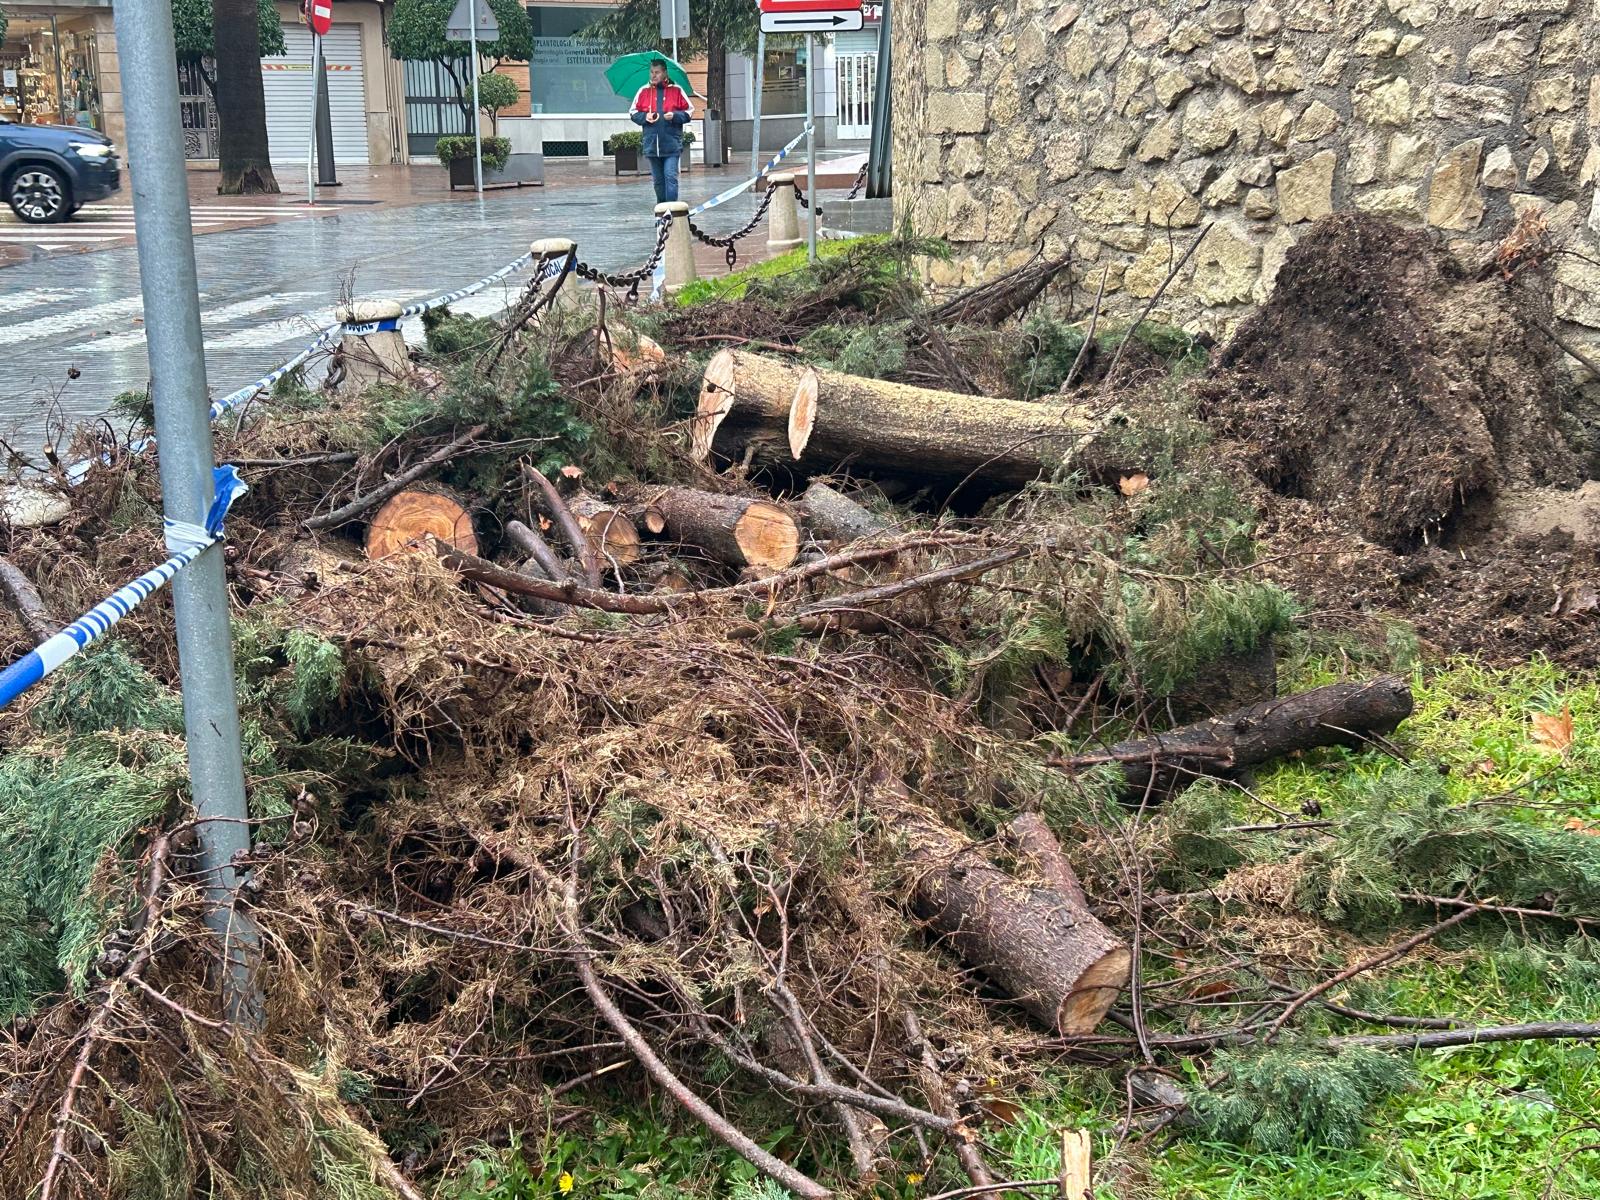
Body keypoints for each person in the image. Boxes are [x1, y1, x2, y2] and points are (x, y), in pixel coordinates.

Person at [630, 59, 692, 204]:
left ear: (664, 73)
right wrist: (645, 117)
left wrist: (675, 116)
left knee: (670, 176)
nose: (653, 75)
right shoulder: (643, 91)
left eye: (657, 72)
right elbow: (633, 112)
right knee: (658, 181)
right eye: (651, 72)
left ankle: (671, 210)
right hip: (652, 145)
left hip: (671, 144)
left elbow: (689, 111)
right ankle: (661, 208)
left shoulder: (676, 90)